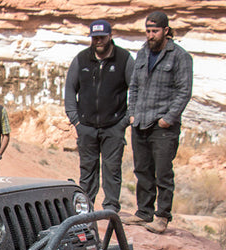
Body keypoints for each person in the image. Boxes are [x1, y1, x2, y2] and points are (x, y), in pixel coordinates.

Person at [121, 11, 193, 234]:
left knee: (163, 172)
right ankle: (144, 212)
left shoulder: (180, 56)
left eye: (155, 31)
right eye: (148, 31)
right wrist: (132, 114)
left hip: (163, 126)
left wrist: (168, 119)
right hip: (140, 122)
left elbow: (184, 91)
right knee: (142, 169)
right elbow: (134, 86)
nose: (151, 35)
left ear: (166, 31)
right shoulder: (143, 53)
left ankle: (162, 216)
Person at [65, 19, 134, 213]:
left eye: (102, 37)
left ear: (110, 36)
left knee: (112, 169)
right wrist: (76, 120)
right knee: (87, 169)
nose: (98, 41)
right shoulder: (82, 58)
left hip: (113, 125)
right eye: (95, 38)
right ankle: (86, 208)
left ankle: (111, 207)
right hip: (86, 125)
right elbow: (70, 89)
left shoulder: (124, 59)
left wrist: (125, 120)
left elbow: (136, 89)